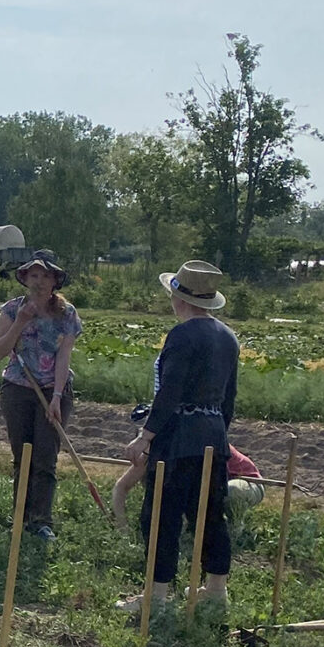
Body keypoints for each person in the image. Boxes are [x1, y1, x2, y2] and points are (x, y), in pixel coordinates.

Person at [120, 260, 239, 612]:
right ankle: (216, 591)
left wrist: (146, 435)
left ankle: (156, 598)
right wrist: (218, 433)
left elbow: (169, 392)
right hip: (213, 437)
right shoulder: (227, 337)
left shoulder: (182, 335)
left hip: (178, 440)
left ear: (180, 299)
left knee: (161, 514)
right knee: (210, 512)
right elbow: (229, 398)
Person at [0, 250, 82, 542]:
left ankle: (41, 521)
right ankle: (21, 517)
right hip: (17, 389)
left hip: (53, 390)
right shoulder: (11, 309)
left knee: (45, 457)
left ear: (55, 280)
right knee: (23, 457)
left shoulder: (66, 313)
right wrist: (20, 322)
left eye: (45, 276)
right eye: (34, 275)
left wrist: (56, 396)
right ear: (25, 279)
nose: (39, 281)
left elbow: (64, 356)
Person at [112, 439, 264, 531]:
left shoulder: (200, 442)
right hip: (211, 488)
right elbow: (121, 486)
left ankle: (234, 527)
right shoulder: (153, 451)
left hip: (249, 483)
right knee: (153, 477)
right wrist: (122, 526)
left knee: (233, 491)